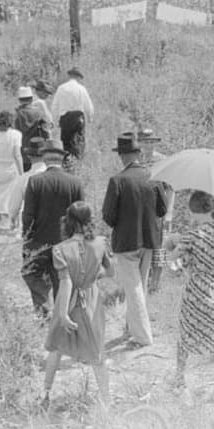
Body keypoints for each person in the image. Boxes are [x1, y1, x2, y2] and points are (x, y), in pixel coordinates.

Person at [41, 202, 112, 409]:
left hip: (69, 301)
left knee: (55, 348)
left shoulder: (61, 249)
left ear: (68, 221)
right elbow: (110, 272)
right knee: (97, 352)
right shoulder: (100, 243)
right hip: (92, 300)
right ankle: (106, 401)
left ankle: (45, 393)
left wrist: (62, 314)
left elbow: (66, 282)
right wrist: (91, 277)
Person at [165, 191, 214, 397]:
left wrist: (174, 246)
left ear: (191, 210)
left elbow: (173, 265)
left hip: (197, 291)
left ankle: (179, 378)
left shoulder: (191, 237)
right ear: (211, 207)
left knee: (186, 331)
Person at [102, 133, 167, 348]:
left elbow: (108, 216)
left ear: (121, 156)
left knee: (134, 288)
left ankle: (143, 337)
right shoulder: (153, 177)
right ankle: (132, 329)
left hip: (126, 242)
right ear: (139, 153)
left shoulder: (117, 181)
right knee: (139, 285)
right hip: (149, 240)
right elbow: (163, 209)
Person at [22, 139, 86, 318]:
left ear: (44, 158)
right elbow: (82, 213)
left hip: (39, 240)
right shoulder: (75, 182)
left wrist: (26, 238)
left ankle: (44, 310)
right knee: (63, 279)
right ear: (62, 158)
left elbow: (28, 215)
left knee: (33, 275)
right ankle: (61, 314)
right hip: (66, 241)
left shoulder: (35, 181)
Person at [137, 129, 175, 295]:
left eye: (151, 142)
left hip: (159, 210)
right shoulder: (135, 161)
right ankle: (142, 281)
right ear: (139, 143)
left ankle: (155, 285)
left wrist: (169, 212)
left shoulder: (162, 161)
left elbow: (171, 188)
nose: (149, 145)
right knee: (141, 246)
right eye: (145, 141)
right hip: (139, 211)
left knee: (160, 248)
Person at [0, 110, 23, 242]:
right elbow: (17, 155)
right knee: (15, 200)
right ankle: (17, 229)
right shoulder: (16, 135)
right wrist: (22, 173)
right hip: (11, 169)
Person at [9, 136, 48, 235]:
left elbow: (14, 207)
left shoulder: (23, 179)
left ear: (29, 156)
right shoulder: (53, 177)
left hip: (30, 226)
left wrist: (13, 220)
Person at [15, 86, 47, 172]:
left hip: (21, 153)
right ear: (31, 99)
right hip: (36, 152)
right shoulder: (39, 113)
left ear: (19, 100)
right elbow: (46, 132)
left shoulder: (17, 115)